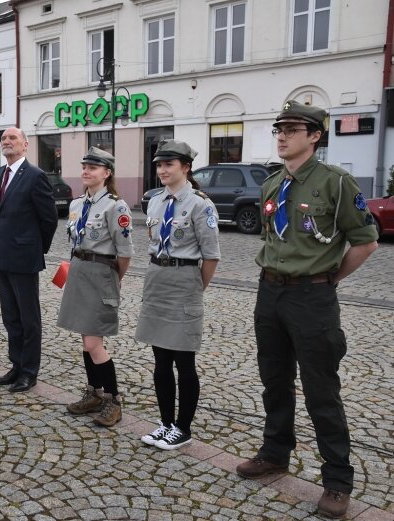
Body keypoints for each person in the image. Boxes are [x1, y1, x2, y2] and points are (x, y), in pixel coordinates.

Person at [235, 101, 378, 519]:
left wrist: (329, 280)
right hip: (270, 294)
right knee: (274, 381)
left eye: (293, 129)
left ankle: (337, 480)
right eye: (279, 128)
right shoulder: (271, 185)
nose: (282, 135)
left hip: (312, 298)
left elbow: (365, 241)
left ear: (315, 136)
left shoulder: (336, 183)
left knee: (321, 391)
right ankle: (274, 453)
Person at [136, 140, 220, 450]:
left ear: (185, 167)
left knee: (184, 361)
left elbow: (211, 256)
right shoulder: (156, 202)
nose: (162, 170)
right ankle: (165, 422)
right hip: (157, 278)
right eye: (159, 165)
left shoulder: (200, 204)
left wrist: (195, 287)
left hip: (185, 279)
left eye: (168, 164)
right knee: (160, 360)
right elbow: (152, 239)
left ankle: (183, 428)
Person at [57, 147, 133, 427]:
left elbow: (125, 253)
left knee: (94, 342)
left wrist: (115, 279)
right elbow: (74, 243)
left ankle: (113, 400)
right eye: (84, 166)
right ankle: (94, 393)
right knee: (85, 340)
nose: (86, 171)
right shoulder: (77, 204)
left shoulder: (116, 206)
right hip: (78, 271)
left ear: (107, 172)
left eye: (93, 167)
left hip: (102, 272)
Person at [0, 127, 58, 392]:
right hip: (2, 256)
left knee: (29, 318)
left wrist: (35, 247)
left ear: (25, 145)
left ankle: (29, 371)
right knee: (10, 316)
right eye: (4, 139)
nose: (7, 142)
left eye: (12, 138)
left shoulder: (35, 176)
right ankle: (15, 365)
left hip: (24, 256)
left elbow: (49, 219)